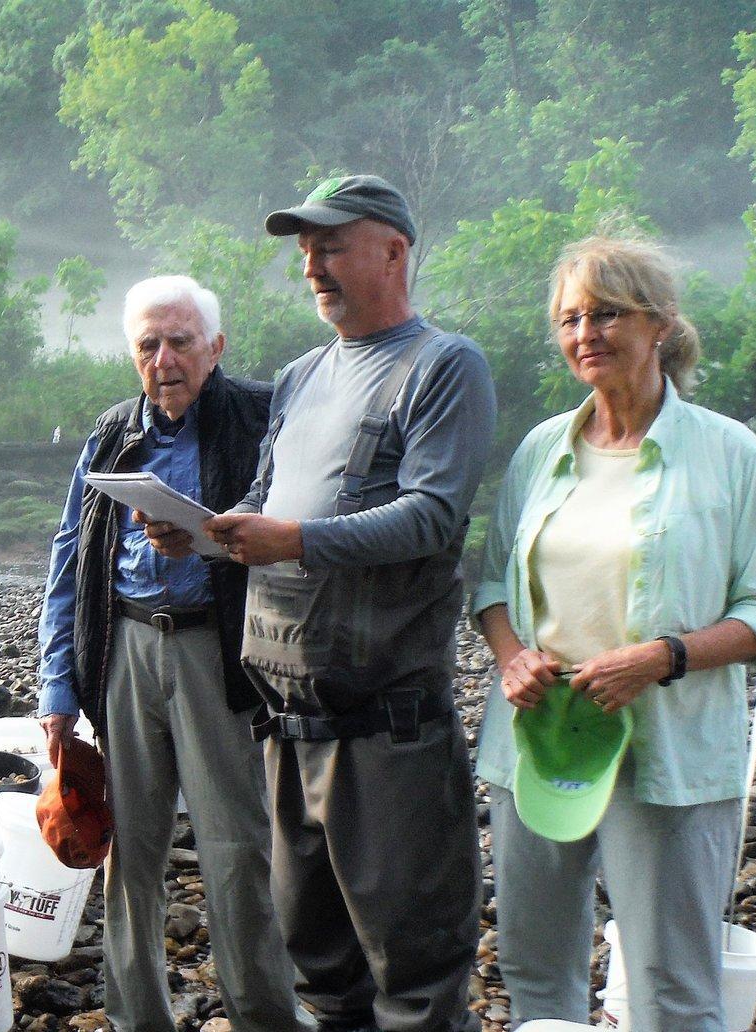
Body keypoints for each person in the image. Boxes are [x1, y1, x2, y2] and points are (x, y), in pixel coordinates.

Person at [176, 174, 496, 1032]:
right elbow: (263, 503)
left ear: (393, 250)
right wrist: (205, 534)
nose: (311, 265)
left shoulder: (443, 367)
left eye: (330, 246)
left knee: (417, 984)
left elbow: (433, 516)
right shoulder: (301, 374)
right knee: (323, 978)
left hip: (388, 735)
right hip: (286, 727)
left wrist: (295, 540)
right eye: (305, 251)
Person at [473, 236, 756, 1031]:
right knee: (535, 967)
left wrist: (662, 658)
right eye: (570, 318)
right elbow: (490, 588)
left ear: (660, 325)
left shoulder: (729, 452)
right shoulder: (542, 448)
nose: (586, 332)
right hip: (541, 740)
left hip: (669, 747)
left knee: (672, 983)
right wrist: (513, 659)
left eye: (608, 313)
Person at [36, 275, 309, 1032]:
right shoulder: (112, 430)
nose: (165, 359)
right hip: (125, 647)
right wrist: (57, 686)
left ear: (215, 347)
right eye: (148, 345)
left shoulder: (258, 417)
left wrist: (209, 540)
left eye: (181, 342)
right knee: (132, 851)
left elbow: (300, 536)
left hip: (216, 653)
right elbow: (70, 558)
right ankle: (136, 1019)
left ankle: (265, 1016)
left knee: (237, 850)